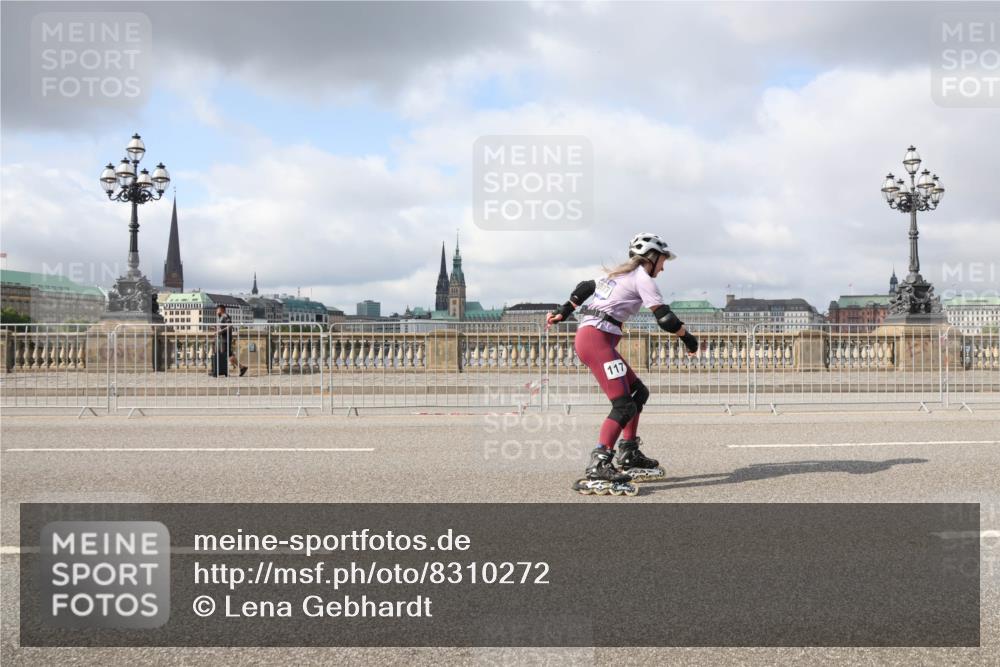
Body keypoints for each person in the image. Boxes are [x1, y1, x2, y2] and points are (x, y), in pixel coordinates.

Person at [546, 233, 699, 495]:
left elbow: (584, 287)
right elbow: (665, 319)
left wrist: (564, 311)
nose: (663, 267)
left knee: (639, 392)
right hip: (596, 341)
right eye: (662, 261)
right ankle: (600, 462)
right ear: (652, 258)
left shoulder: (616, 276)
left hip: (592, 338)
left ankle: (629, 452)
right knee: (624, 404)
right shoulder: (642, 278)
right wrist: (690, 340)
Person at [210, 304, 247, 377]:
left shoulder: (225, 316)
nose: (216, 311)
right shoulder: (221, 317)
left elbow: (230, 326)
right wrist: (216, 329)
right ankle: (241, 368)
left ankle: (223, 371)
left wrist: (220, 332)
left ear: (222, 309)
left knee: (225, 355)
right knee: (228, 354)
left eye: (217, 309)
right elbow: (223, 327)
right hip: (223, 339)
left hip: (225, 339)